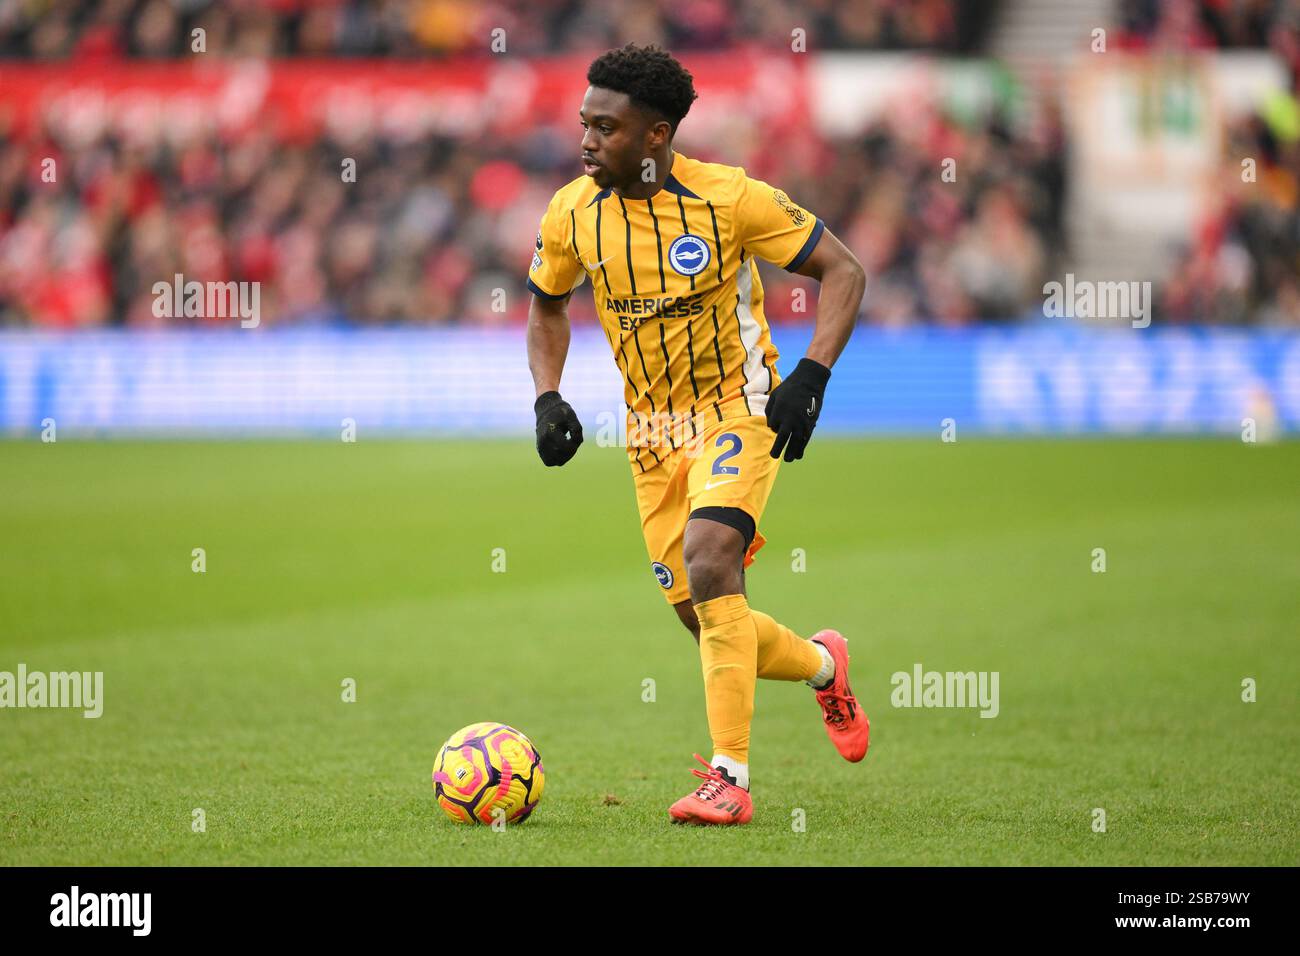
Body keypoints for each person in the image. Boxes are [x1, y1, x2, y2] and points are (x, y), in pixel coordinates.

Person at [525, 43, 869, 826]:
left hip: (734, 410)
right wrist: (548, 396)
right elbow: (547, 304)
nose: (586, 141)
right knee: (705, 614)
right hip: (648, 434)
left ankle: (730, 781)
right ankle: (823, 664)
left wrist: (811, 375)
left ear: (656, 134)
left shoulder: (730, 199)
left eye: (605, 128)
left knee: (713, 560)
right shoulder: (571, 213)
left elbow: (844, 270)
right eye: (583, 123)